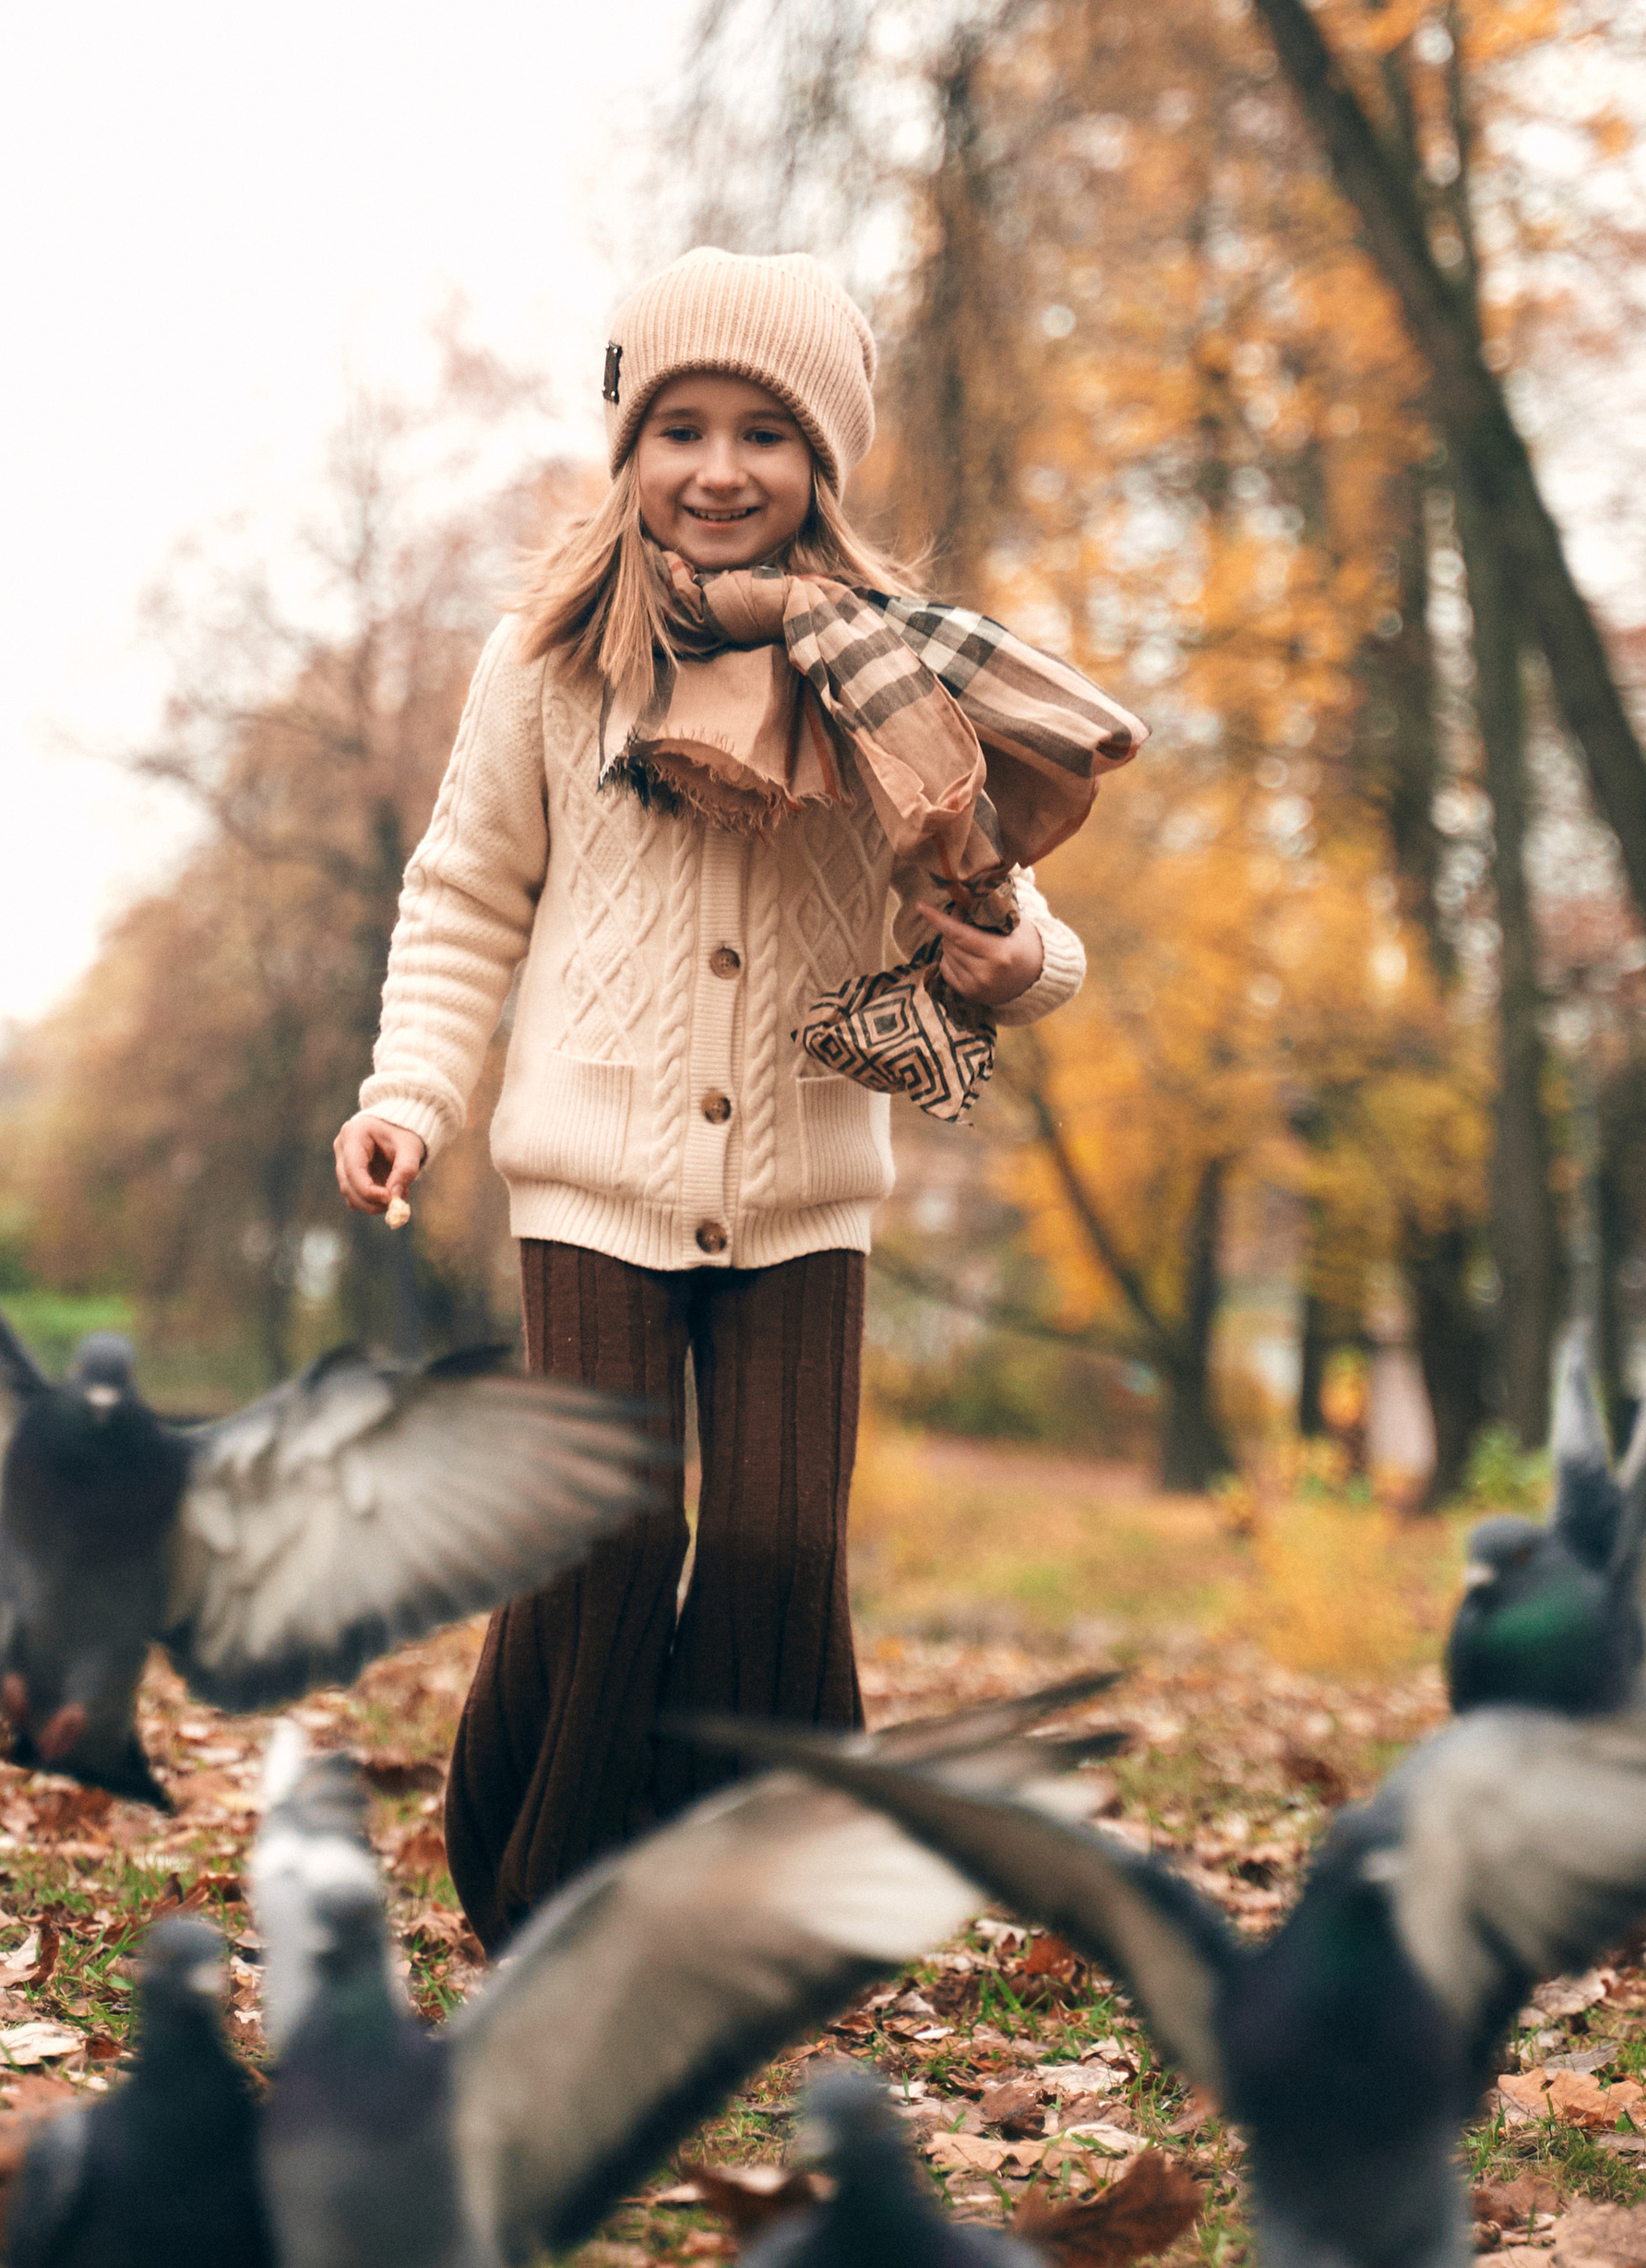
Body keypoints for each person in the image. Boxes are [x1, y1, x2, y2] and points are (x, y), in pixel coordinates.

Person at [333, 246, 1128, 1949]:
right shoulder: (550, 667)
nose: (717, 468)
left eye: (764, 433)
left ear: (821, 466)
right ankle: (541, 1894)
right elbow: (468, 893)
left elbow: (1007, 919)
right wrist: (412, 1093)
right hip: (593, 1180)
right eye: (678, 426)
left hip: (805, 1192)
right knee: (606, 1558)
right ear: (627, 452)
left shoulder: (898, 679)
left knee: (773, 1565)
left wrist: (1017, 960)